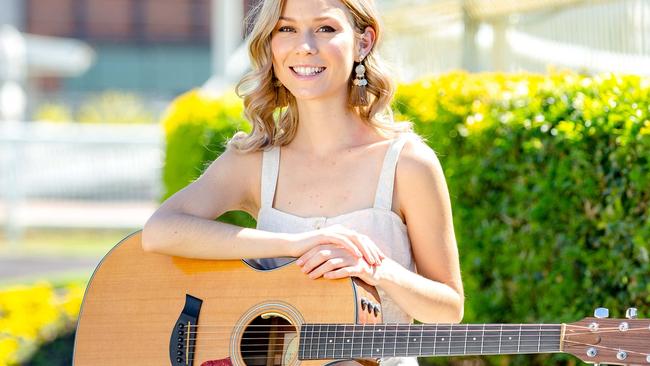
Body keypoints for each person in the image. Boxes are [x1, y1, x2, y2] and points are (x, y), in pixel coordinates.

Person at [142, 0, 464, 364]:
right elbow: (159, 231)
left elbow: (448, 309)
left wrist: (378, 269)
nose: (305, 46)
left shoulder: (408, 163)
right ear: (271, 44)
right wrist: (297, 243)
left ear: (363, 42)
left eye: (326, 29)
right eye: (286, 29)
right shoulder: (254, 160)